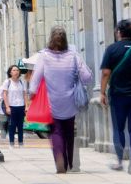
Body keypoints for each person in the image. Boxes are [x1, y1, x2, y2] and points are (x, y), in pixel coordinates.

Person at [30, 26, 94, 174]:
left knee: (56, 131)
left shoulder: (44, 56)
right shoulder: (73, 55)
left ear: (51, 38)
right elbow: (87, 77)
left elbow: (36, 79)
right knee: (69, 131)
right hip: (70, 101)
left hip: (52, 102)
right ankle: (69, 161)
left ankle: (60, 160)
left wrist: (31, 94)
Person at [100, 18, 131, 173]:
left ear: (119, 32)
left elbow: (106, 73)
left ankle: (120, 161)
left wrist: (102, 93)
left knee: (119, 129)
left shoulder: (112, 49)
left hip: (118, 96)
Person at [0, 64, 29, 147]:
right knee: (12, 125)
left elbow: (25, 94)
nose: (16, 72)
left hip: (21, 106)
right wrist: (7, 107)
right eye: (14, 70)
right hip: (11, 106)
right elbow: (4, 95)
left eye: (17, 70)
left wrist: (26, 106)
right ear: (10, 72)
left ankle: (21, 142)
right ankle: (11, 143)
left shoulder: (22, 82)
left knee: (20, 126)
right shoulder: (7, 82)